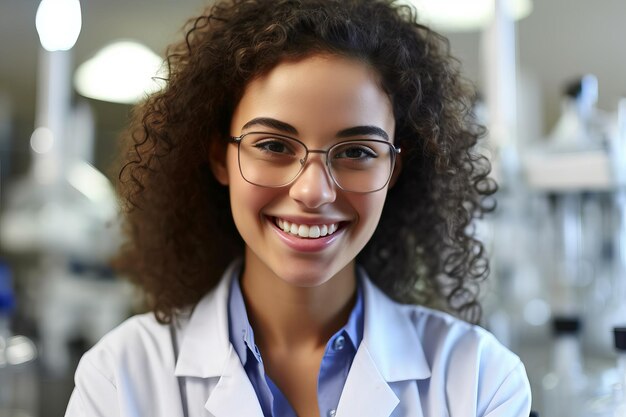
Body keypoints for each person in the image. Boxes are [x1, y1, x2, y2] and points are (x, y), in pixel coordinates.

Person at [65, 0, 532, 416]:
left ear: (394, 170)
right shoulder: (119, 378)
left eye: (356, 152)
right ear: (218, 157)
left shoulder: (479, 381)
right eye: (272, 144)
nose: (313, 191)